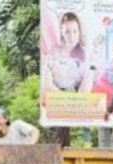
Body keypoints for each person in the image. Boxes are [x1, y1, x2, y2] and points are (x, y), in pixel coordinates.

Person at [43, 12, 100, 147]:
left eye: (75, 31)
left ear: (80, 32)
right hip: (57, 99)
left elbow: (84, 92)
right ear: (61, 32)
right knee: (58, 137)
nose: (71, 36)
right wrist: (64, 98)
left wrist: (92, 66)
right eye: (67, 32)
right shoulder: (53, 52)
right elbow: (47, 84)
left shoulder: (86, 55)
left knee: (83, 136)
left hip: (79, 103)